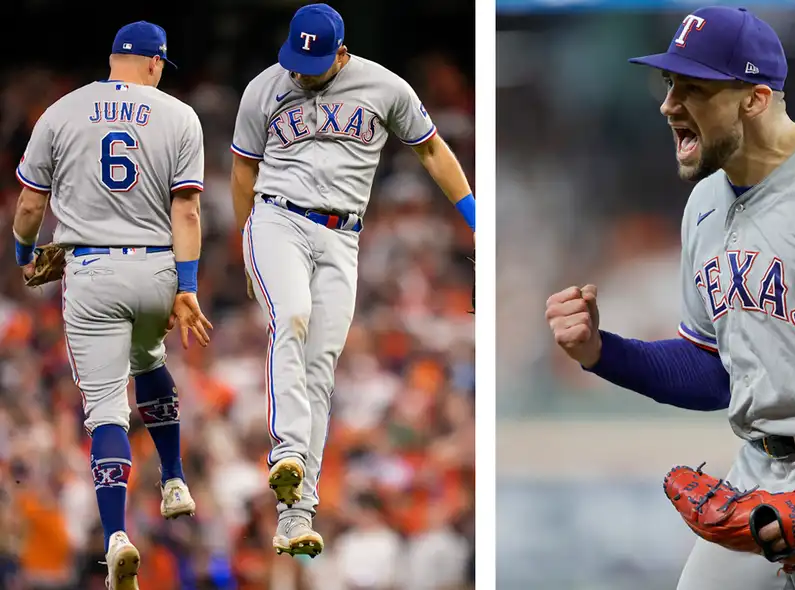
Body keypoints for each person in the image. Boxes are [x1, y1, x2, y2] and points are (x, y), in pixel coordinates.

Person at [546, 6, 795, 589]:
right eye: (668, 84)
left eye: (693, 88)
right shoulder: (705, 204)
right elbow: (713, 371)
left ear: (754, 99)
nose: (668, 105)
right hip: (762, 469)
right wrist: (601, 352)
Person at [230, 3, 476, 558]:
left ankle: (297, 513)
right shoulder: (264, 89)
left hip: (343, 233)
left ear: (341, 53)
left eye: (312, 61)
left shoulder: (385, 87)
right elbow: (243, 167)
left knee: (321, 367)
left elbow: (432, 150)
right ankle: (286, 452)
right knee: (291, 315)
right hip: (278, 217)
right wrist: (247, 243)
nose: (300, 70)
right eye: (294, 58)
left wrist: (475, 218)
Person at [12, 20, 212, 590]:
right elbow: (189, 213)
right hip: (155, 266)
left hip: (92, 270)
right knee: (148, 357)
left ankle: (115, 537)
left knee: (104, 410)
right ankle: (173, 478)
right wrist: (187, 285)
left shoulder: (62, 110)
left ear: (112, 59)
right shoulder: (178, 115)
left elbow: (29, 204)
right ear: (155, 62)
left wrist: (25, 253)